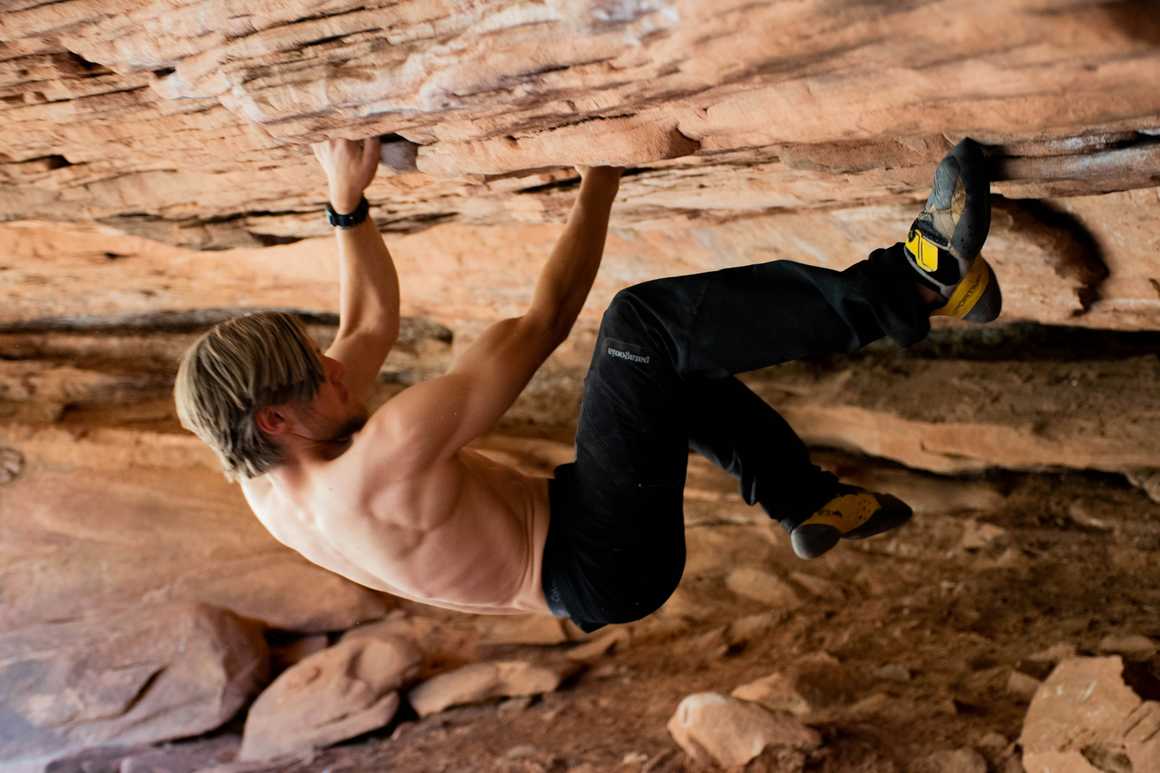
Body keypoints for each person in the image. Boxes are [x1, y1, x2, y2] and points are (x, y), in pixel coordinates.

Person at [175, 137, 1000, 633]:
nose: (335, 361)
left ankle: (800, 496)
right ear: (278, 416)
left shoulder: (268, 468)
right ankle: (918, 280)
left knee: (660, 378)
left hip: (578, 559)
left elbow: (367, 326)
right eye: (314, 374)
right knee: (641, 330)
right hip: (597, 559)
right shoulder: (379, 461)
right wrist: (600, 175)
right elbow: (546, 321)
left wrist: (345, 207)